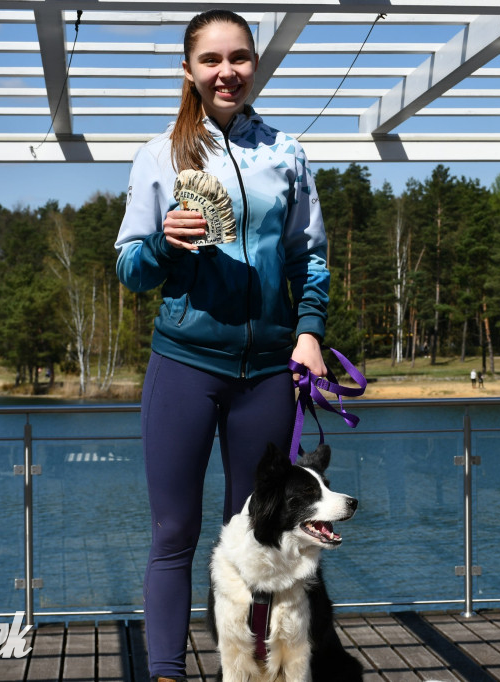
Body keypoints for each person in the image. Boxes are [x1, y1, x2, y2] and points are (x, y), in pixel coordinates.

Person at [113, 10, 329, 682]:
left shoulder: (287, 154)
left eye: (238, 57)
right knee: (175, 535)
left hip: (268, 372)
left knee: (261, 544)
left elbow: (310, 258)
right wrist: (160, 243)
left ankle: (257, 671)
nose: (226, 71)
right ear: (189, 70)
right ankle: (169, 673)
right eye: (211, 60)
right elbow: (128, 269)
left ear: (253, 65)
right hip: (184, 366)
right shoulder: (159, 155)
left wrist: (310, 332)